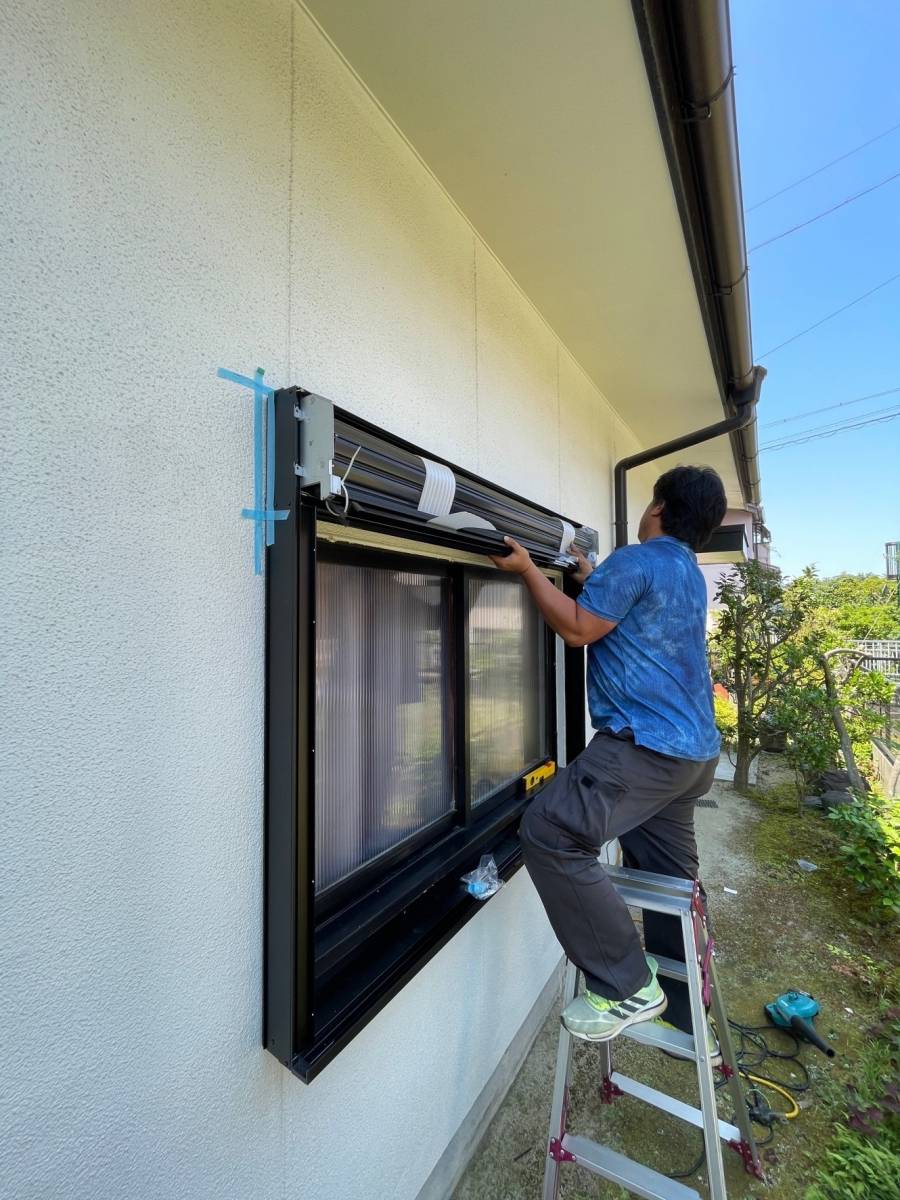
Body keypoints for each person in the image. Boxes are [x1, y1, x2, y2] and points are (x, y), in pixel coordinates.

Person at [490, 465, 726, 1054]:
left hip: (643, 751)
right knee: (665, 876)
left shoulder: (638, 557)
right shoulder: (686, 573)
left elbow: (576, 628)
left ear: (660, 510)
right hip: (692, 758)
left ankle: (626, 985)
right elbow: (623, 614)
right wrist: (589, 576)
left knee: (550, 831)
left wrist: (525, 571)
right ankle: (684, 1008)